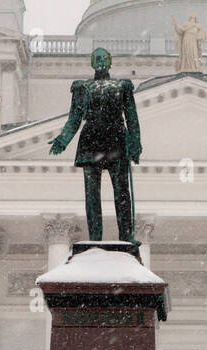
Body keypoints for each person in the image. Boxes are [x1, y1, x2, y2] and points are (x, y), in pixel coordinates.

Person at [48, 48, 142, 244]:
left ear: (109, 62)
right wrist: (63, 140)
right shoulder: (82, 88)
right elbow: (74, 117)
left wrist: (135, 144)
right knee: (92, 195)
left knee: (122, 192)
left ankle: (126, 236)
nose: (100, 62)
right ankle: (95, 239)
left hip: (116, 138)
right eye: (97, 58)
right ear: (92, 63)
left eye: (103, 58)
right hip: (91, 140)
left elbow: (132, 117)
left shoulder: (122, 86)